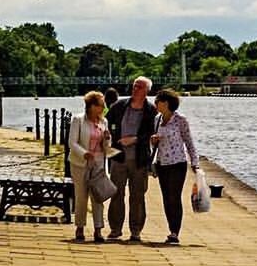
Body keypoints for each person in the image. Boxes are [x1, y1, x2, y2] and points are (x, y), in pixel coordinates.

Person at [105, 76, 157, 242]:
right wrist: (109, 136)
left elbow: (152, 132)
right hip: (118, 157)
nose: (135, 89)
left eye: (140, 87)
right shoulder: (119, 106)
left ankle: (136, 231)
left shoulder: (151, 111)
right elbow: (106, 122)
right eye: (134, 86)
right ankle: (115, 229)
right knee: (116, 193)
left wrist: (134, 139)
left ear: (147, 91)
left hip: (139, 159)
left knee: (137, 195)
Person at [150, 88, 200, 245]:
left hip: (177, 163)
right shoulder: (157, 119)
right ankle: (171, 228)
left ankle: (174, 232)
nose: (155, 104)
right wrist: (153, 141)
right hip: (162, 163)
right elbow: (154, 144)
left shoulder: (180, 120)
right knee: (166, 198)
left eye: (158, 101)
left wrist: (195, 162)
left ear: (166, 103)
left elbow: (189, 141)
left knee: (174, 197)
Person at [68, 90, 116, 243]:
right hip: (80, 164)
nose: (103, 108)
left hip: (98, 164)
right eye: (101, 105)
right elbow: (72, 143)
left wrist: (108, 139)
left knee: (98, 197)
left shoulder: (104, 122)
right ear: (91, 106)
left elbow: (106, 145)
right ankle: (80, 227)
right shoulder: (78, 120)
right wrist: (84, 153)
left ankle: (98, 229)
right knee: (81, 197)